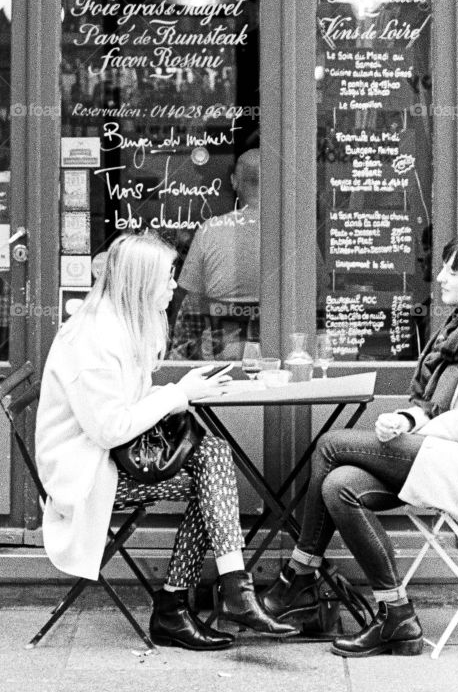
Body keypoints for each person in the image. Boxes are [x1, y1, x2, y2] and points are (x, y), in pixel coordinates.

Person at [261, 230, 458, 658]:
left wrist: (415, 434)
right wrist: (407, 418)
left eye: (454, 270)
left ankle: (299, 577)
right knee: (339, 484)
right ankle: (397, 615)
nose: (439, 278)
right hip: (447, 456)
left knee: (330, 445)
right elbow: (435, 407)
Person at [35, 229, 298, 650]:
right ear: (140, 284)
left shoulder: (118, 324)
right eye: (167, 277)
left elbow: (125, 406)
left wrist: (181, 390)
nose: (175, 286)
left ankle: (217, 592)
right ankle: (192, 602)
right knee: (212, 479)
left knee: (213, 461)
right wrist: (178, 395)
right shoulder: (92, 339)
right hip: (85, 474)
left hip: (111, 458)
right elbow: (109, 428)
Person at [170, 148, 261, 359]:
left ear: (233, 181)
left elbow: (186, 295)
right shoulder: (296, 232)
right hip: (281, 355)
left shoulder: (210, 230)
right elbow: (320, 292)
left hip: (221, 356)